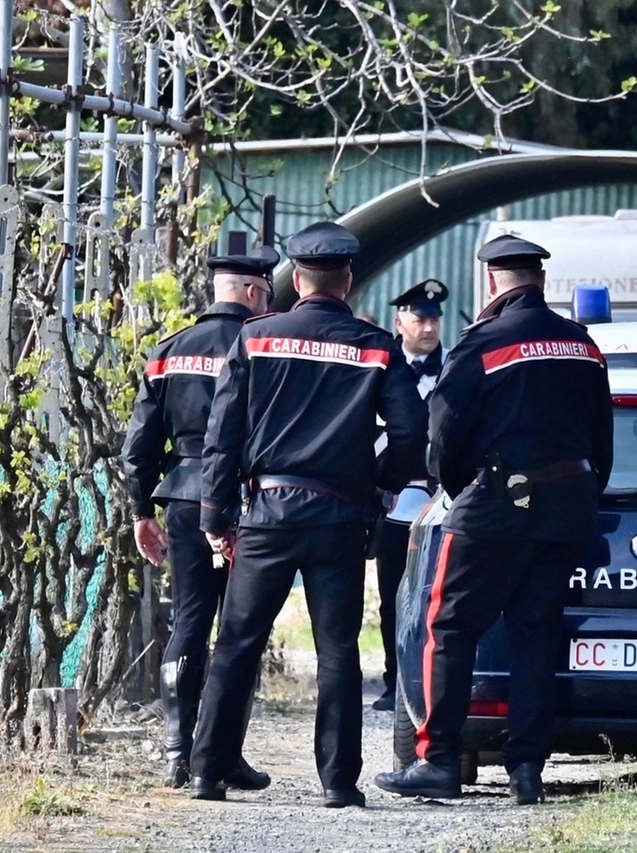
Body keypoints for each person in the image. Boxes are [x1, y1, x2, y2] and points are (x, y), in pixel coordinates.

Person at [189, 222, 428, 808]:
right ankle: (338, 783)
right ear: (346, 281)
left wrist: (217, 517)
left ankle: (207, 772)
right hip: (340, 519)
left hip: (267, 512)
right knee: (339, 651)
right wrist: (385, 489)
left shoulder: (257, 337)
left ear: (296, 280)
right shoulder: (376, 345)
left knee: (238, 643)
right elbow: (411, 429)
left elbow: (222, 437)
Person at [374, 235, 613, 805]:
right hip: (566, 508)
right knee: (536, 635)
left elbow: (444, 434)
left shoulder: (482, 343)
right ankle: (526, 770)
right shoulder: (583, 344)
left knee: (447, 628)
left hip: (497, 502)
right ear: (540, 282)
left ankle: (438, 761)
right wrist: (579, 493)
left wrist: (461, 491)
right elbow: (602, 437)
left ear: (491, 283)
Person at [121, 246, 279, 791]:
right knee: (239, 631)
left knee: (190, 619)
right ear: (256, 291)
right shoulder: (265, 346)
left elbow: (138, 447)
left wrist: (142, 511)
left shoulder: (168, 352)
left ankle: (175, 749)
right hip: (249, 499)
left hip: (184, 498)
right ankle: (223, 753)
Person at [371, 278, 450, 712]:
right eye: (420, 318)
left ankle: (432, 684)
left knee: (438, 599)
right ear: (399, 321)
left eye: (434, 319)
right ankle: (394, 680)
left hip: (442, 500)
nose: (428, 327)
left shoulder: (456, 367)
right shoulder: (380, 368)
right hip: (392, 500)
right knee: (393, 597)